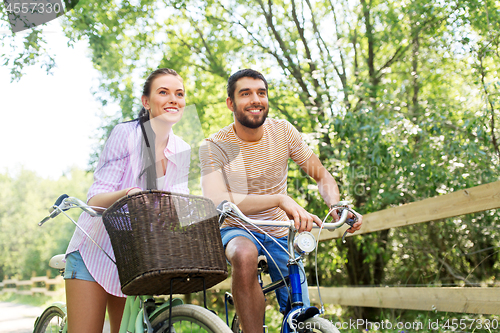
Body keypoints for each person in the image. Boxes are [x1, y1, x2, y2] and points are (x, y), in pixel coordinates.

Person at [199, 69, 362, 333]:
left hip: (279, 231)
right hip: (235, 227)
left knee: (299, 316)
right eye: (245, 94)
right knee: (244, 254)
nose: (255, 99)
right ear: (231, 103)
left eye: (261, 93)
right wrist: (278, 199)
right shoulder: (214, 145)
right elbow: (218, 200)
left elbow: (322, 176)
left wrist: (336, 205)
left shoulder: (283, 131)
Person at [64, 68, 190, 333]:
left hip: (134, 262)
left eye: (179, 94)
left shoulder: (182, 149)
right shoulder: (126, 135)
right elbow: (95, 200)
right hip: (95, 252)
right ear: (146, 102)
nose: (173, 99)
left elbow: (178, 206)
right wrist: (127, 194)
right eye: (163, 92)